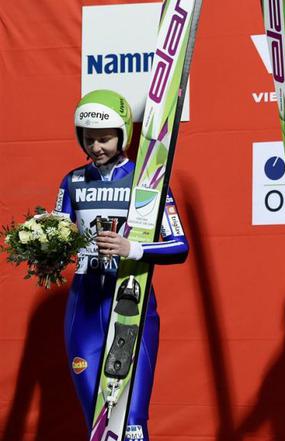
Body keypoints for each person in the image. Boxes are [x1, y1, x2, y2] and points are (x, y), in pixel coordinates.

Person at [54, 89, 189, 440]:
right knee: (96, 422)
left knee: (130, 423)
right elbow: (57, 238)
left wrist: (132, 248)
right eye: (89, 139)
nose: (96, 146)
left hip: (131, 301)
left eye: (104, 138)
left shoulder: (146, 181)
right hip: (83, 307)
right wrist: (47, 240)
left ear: (123, 135)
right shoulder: (73, 182)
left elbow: (179, 246)